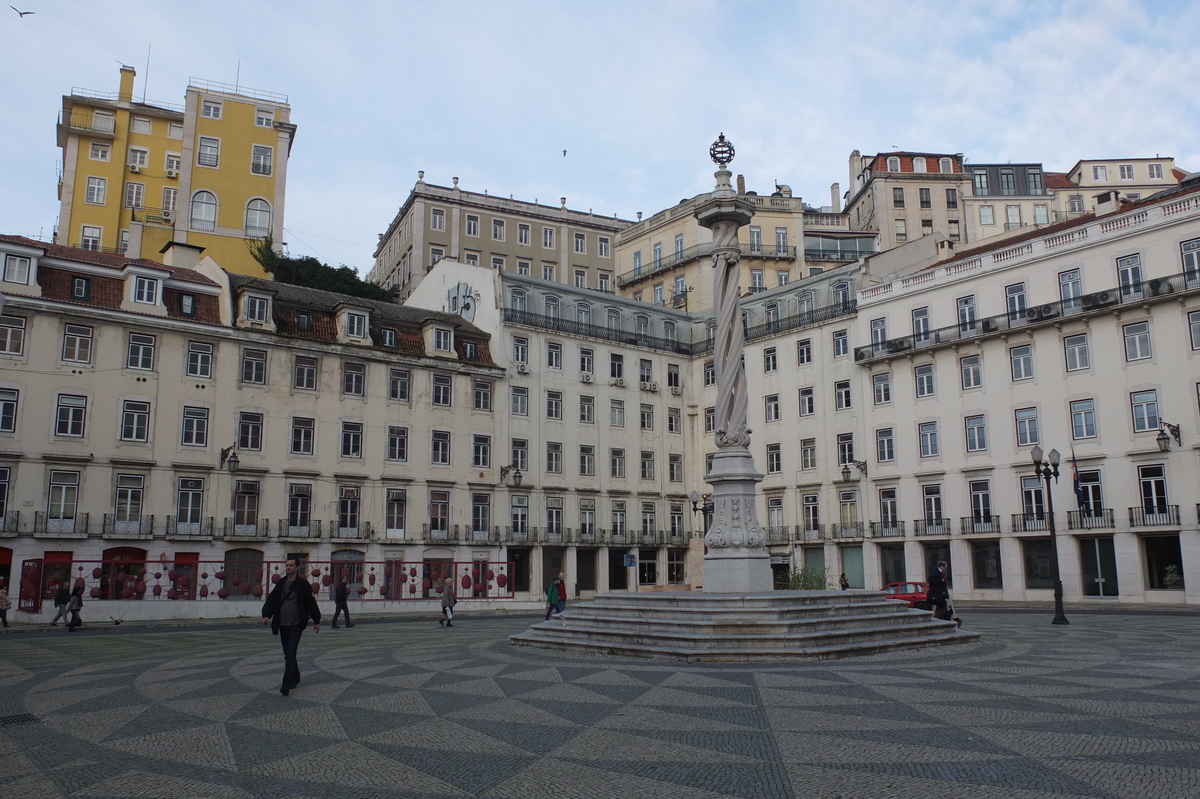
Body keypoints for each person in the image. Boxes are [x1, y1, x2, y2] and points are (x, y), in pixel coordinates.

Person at [261, 558, 321, 696]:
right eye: (287, 565)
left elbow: (310, 603)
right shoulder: (281, 583)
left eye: (291, 565)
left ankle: (286, 684)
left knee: (290, 652)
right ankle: (296, 676)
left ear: (297, 567)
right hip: (282, 624)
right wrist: (266, 615)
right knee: (288, 654)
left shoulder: (303, 585)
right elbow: (272, 600)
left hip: (296, 625)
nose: (288, 567)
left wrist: (316, 620)